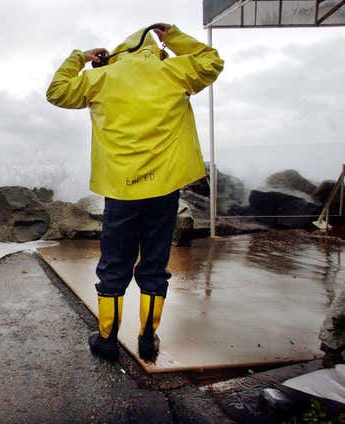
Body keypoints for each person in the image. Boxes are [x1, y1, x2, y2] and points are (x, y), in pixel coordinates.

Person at [46, 24, 223, 361]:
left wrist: (79, 58)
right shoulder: (173, 70)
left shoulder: (101, 78)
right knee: (155, 265)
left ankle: (107, 340)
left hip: (121, 190)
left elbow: (56, 92)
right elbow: (211, 61)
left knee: (114, 263)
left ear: (118, 54)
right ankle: (146, 338)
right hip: (164, 189)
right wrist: (171, 34)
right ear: (152, 51)